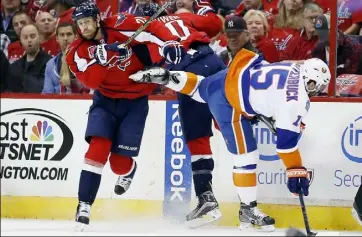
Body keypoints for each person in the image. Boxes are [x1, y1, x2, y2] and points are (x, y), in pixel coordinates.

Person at [130, 53, 331, 231]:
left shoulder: (294, 67)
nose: (319, 91)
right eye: (319, 86)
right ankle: (248, 210)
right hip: (230, 102)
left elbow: (270, 85)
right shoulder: (296, 101)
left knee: (202, 88)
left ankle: (167, 77)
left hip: (232, 73)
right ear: (311, 81)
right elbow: (286, 146)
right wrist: (296, 171)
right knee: (246, 156)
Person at [65, 2, 185, 230]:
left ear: (97, 19)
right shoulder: (76, 51)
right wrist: (100, 60)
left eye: (87, 22)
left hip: (135, 102)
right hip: (105, 102)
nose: (84, 27)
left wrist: (169, 43)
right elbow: (91, 82)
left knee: (119, 164)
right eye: (80, 24)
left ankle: (129, 170)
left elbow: (154, 27)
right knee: (97, 150)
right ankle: (84, 204)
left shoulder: (121, 24)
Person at [135, 1, 226, 225]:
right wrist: (203, 5)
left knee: (198, 137)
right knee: (230, 122)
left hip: (189, 75)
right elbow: (214, 25)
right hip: (214, 64)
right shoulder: (183, 18)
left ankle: (206, 198)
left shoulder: (145, 34)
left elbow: (145, 66)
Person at [6, 24, 51, 92]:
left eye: (32, 36)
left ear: (39, 38)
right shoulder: (14, 67)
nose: (29, 40)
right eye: (25, 37)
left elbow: (42, 88)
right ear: (20, 40)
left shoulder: (50, 63)